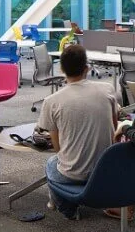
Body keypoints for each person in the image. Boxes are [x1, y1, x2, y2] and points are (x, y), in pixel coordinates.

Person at [38, 45, 116, 220]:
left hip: (72, 174)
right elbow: (114, 125)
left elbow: (57, 148)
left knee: (51, 163)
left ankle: (68, 210)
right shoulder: (107, 90)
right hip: (106, 169)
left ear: (61, 69)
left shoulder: (51, 101)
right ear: (87, 68)